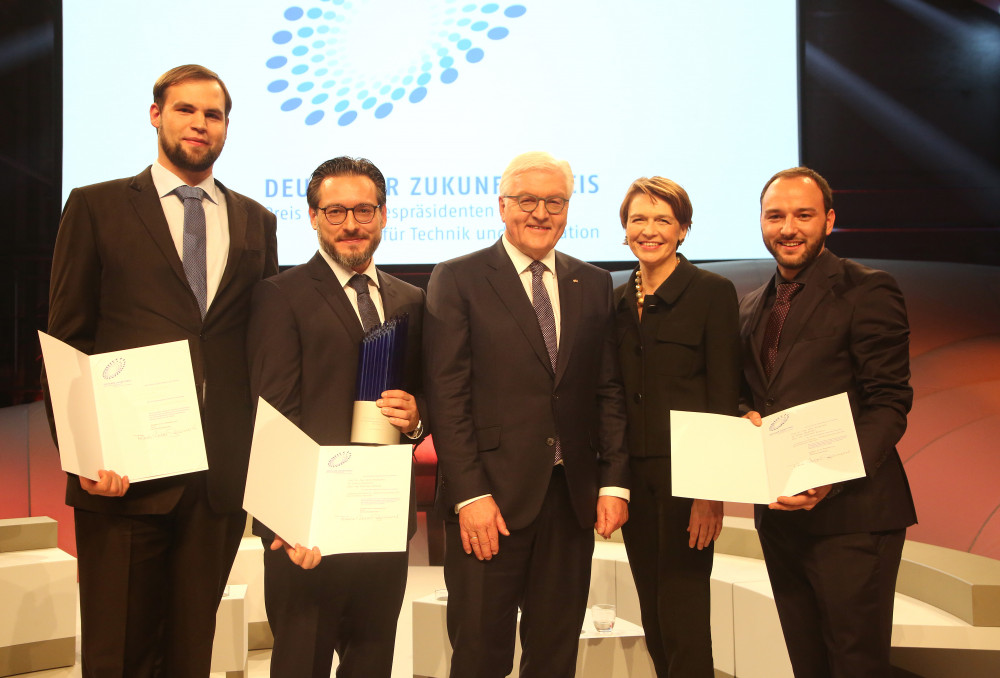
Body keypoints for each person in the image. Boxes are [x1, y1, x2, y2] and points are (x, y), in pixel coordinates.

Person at [43, 64, 278, 676]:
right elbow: (69, 340)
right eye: (186, 110)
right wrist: (86, 454)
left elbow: (260, 345)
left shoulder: (257, 221)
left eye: (214, 114)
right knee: (119, 650)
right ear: (156, 116)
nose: (200, 124)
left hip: (218, 478)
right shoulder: (95, 207)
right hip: (123, 474)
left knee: (190, 649)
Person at [423, 151, 630, 678]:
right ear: (502, 206)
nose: (541, 213)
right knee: (480, 654)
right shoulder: (458, 278)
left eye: (554, 202)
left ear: (568, 209)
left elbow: (607, 390)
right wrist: (469, 494)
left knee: (556, 651)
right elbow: (448, 397)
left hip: (570, 500)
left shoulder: (594, 283)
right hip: (488, 502)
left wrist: (613, 484)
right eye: (527, 201)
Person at [246, 156, 424, 678]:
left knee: (372, 663)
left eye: (364, 209)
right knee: (301, 663)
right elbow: (274, 412)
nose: (351, 224)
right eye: (336, 211)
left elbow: (426, 400)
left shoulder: (411, 299)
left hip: (381, 520)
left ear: (384, 215)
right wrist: (288, 519)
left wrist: (416, 418)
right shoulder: (280, 296)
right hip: (309, 531)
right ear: (313, 216)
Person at [740, 167, 916, 678]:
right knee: (806, 665)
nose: (788, 227)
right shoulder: (753, 305)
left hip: (853, 519)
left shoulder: (869, 290)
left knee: (855, 666)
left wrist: (831, 475)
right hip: (780, 519)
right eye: (776, 216)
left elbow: (889, 402)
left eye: (803, 215)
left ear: (829, 220)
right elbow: (747, 397)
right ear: (762, 222)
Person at [614, 177, 740, 677]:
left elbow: (723, 394)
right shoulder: (618, 299)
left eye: (662, 220)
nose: (649, 231)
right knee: (652, 607)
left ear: (683, 229)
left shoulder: (713, 292)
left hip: (690, 479)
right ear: (624, 230)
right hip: (634, 478)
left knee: (684, 608)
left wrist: (711, 494)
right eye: (638, 220)